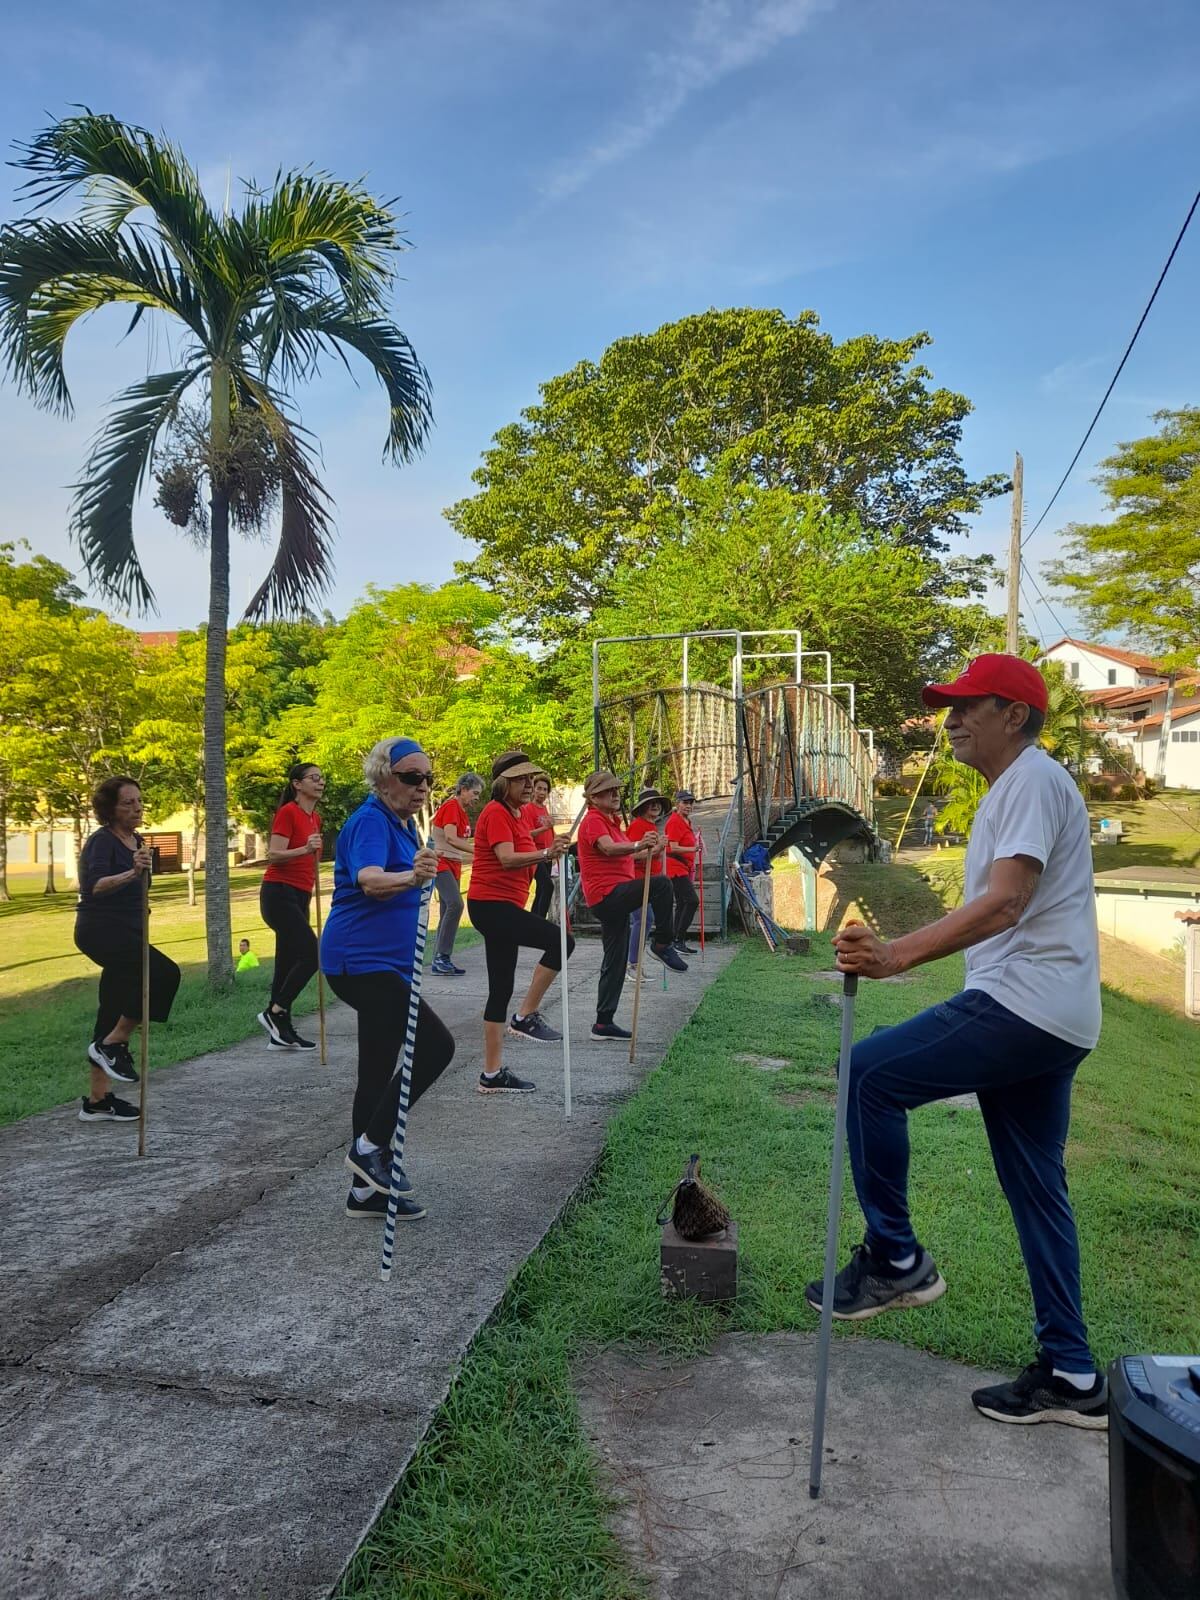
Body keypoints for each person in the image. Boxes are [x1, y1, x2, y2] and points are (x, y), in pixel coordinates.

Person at [809, 655, 1107, 1428]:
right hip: (1057, 1015)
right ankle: (1073, 1376)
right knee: (1038, 1192)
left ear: (1015, 714)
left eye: (968, 705)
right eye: (948, 707)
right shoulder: (1017, 790)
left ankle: (896, 1261)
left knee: (869, 1073)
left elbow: (1008, 903)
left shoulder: (1033, 781)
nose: (950, 720)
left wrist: (898, 954)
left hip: (1024, 1005)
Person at [319, 738, 455, 1221]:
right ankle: (370, 1148)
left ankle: (366, 1193)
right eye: (410, 776)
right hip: (360, 962)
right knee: (437, 1047)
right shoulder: (370, 822)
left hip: (385, 964)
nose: (422, 786)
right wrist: (411, 879)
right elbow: (371, 881)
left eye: (427, 778)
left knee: (376, 1072)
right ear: (382, 777)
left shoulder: (402, 825)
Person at [73, 776, 181, 1123]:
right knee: (164, 973)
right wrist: (131, 872)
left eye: (138, 801)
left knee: (112, 1005)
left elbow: (140, 885)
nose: (136, 808)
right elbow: (95, 886)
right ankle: (115, 1042)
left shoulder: (137, 840)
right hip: (100, 930)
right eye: (127, 803)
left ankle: (98, 1100)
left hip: (128, 930)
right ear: (110, 808)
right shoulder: (101, 842)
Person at [466, 750, 574, 1091]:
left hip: (501, 905)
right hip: (491, 905)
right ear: (504, 783)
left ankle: (492, 1074)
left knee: (500, 989)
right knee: (562, 941)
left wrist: (551, 843)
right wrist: (545, 853)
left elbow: (528, 844)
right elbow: (507, 857)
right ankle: (525, 1016)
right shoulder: (496, 812)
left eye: (531, 779)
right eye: (521, 780)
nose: (529, 785)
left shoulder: (520, 813)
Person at [577, 770, 687, 1042]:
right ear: (593, 797)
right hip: (607, 893)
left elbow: (629, 855)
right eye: (608, 791)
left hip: (615, 895)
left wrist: (652, 848)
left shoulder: (612, 822)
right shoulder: (593, 821)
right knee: (662, 885)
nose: (615, 795)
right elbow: (608, 849)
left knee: (614, 961)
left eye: (616, 790)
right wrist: (639, 842)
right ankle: (662, 943)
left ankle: (603, 1023)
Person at [257, 762, 324, 1051]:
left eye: (322, 778)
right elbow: (273, 854)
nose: (320, 782)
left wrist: (313, 858)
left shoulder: (315, 818)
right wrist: (305, 849)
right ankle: (275, 1010)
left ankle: (280, 1031)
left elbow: (311, 860)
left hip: (300, 895)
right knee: (313, 953)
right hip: (278, 893)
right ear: (297, 784)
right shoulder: (289, 813)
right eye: (314, 778)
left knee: (286, 962)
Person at [430, 773, 484, 977]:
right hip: (442, 862)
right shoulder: (452, 807)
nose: (477, 798)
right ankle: (442, 956)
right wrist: (478, 851)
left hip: (454, 864)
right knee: (455, 904)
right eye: (475, 793)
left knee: (447, 909)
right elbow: (451, 838)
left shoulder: (460, 811)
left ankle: (440, 959)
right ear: (463, 790)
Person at [625, 788, 668, 975]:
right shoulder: (637, 826)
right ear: (643, 807)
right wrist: (658, 847)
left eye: (658, 803)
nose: (656, 805)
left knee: (646, 920)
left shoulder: (652, 827)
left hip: (651, 881)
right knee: (643, 919)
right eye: (651, 803)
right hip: (636, 879)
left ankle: (635, 963)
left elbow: (656, 854)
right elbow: (630, 855)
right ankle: (631, 964)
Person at [664, 789, 700, 953]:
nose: (688, 805)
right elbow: (673, 846)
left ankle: (676, 940)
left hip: (683, 866)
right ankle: (678, 939)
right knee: (692, 901)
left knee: (682, 903)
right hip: (675, 867)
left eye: (691, 802)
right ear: (677, 803)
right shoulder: (674, 821)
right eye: (685, 802)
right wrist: (693, 848)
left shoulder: (686, 821)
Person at [526, 773, 557, 919]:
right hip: (536, 854)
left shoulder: (544, 809)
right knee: (547, 886)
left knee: (541, 890)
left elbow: (550, 831)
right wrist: (544, 828)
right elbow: (527, 834)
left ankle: (533, 922)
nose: (542, 792)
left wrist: (557, 843)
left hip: (549, 854)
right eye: (539, 788)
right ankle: (541, 922)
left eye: (545, 789)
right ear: (533, 789)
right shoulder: (528, 809)